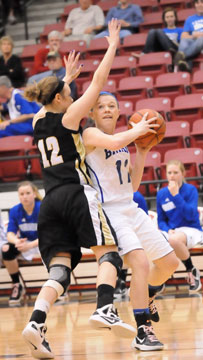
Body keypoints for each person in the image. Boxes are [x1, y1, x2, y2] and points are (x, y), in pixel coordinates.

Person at [22, 20, 137, 360]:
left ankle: (37, 321)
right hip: (76, 194)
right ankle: (105, 307)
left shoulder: (37, 120)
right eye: (70, 94)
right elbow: (98, 84)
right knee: (109, 254)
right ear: (62, 100)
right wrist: (112, 46)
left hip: (49, 201)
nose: (74, 96)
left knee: (61, 269)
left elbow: (48, 101)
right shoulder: (71, 117)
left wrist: (65, 80)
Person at [82, 91, 179, 350]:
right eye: (100, 106)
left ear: (118, 111)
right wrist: (139, 130)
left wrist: (142, 151)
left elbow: (133, 184)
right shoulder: (89, 136)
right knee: (139, 261)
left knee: (170, 263)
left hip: (131, 207)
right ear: (92, 113)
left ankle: (146, 294)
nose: (106, 109)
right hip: (110, 212)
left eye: (112, 105)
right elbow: (111, 144)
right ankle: (142, 329)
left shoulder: (123, 142)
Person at [156, 159, 203, 293]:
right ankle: (159, 278)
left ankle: (192, 271)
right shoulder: (161, 194)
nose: (172, 176)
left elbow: (190, 215)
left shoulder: (191, 190)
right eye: (169, 172)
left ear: (182, 174)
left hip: (191, 229)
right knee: (153, 240)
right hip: (172, 231)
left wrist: (176, 195)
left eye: (175, 172)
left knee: (174, 240)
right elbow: (161, 220)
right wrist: (167, 229)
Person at [1, 181, 42, 306]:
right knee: (6, 248)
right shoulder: (15, 210)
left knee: (57, 247)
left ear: (34, 194)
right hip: (26, 244)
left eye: (28, 193)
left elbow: (49, 234)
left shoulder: (43, 207)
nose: (24, 196)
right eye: (22, 194)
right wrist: (17, 241)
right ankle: (17, 285)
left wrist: (29, 245)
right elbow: (10, 234)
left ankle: (60, 285)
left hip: (44, 242)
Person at [114, 190, 148, 298]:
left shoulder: (137, 196)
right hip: (119, 231)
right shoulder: (111, 197)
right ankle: (118, 282)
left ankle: (122, 281)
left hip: (135, 231)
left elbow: (144, 217)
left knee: (129, 246)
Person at [174, 0, 203, 72]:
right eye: (197, 3)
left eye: (202, 2)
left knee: (201, 39)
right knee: (184, 41)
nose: (200, 5)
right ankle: (187, 66)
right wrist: (193, 36)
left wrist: (200, 35)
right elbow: (183, 35)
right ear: (195, 5)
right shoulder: (190, 19)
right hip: (194, 41)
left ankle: (180, 57)